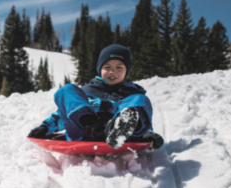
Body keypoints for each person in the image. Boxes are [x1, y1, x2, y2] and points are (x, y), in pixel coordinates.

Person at [28, 44, 164, 149]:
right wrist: (45, 127)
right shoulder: (86, 90)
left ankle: (117, 131)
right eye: (107, 67)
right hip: (83, 132)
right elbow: (65, 113)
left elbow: (138, 112)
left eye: (119, 67)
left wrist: (147, 133)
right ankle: (92, 124)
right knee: (67, 90)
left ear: (127, 70)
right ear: (100, 69)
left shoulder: (132, 94)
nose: (112, 72)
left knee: (141, 99)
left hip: (120, 138)